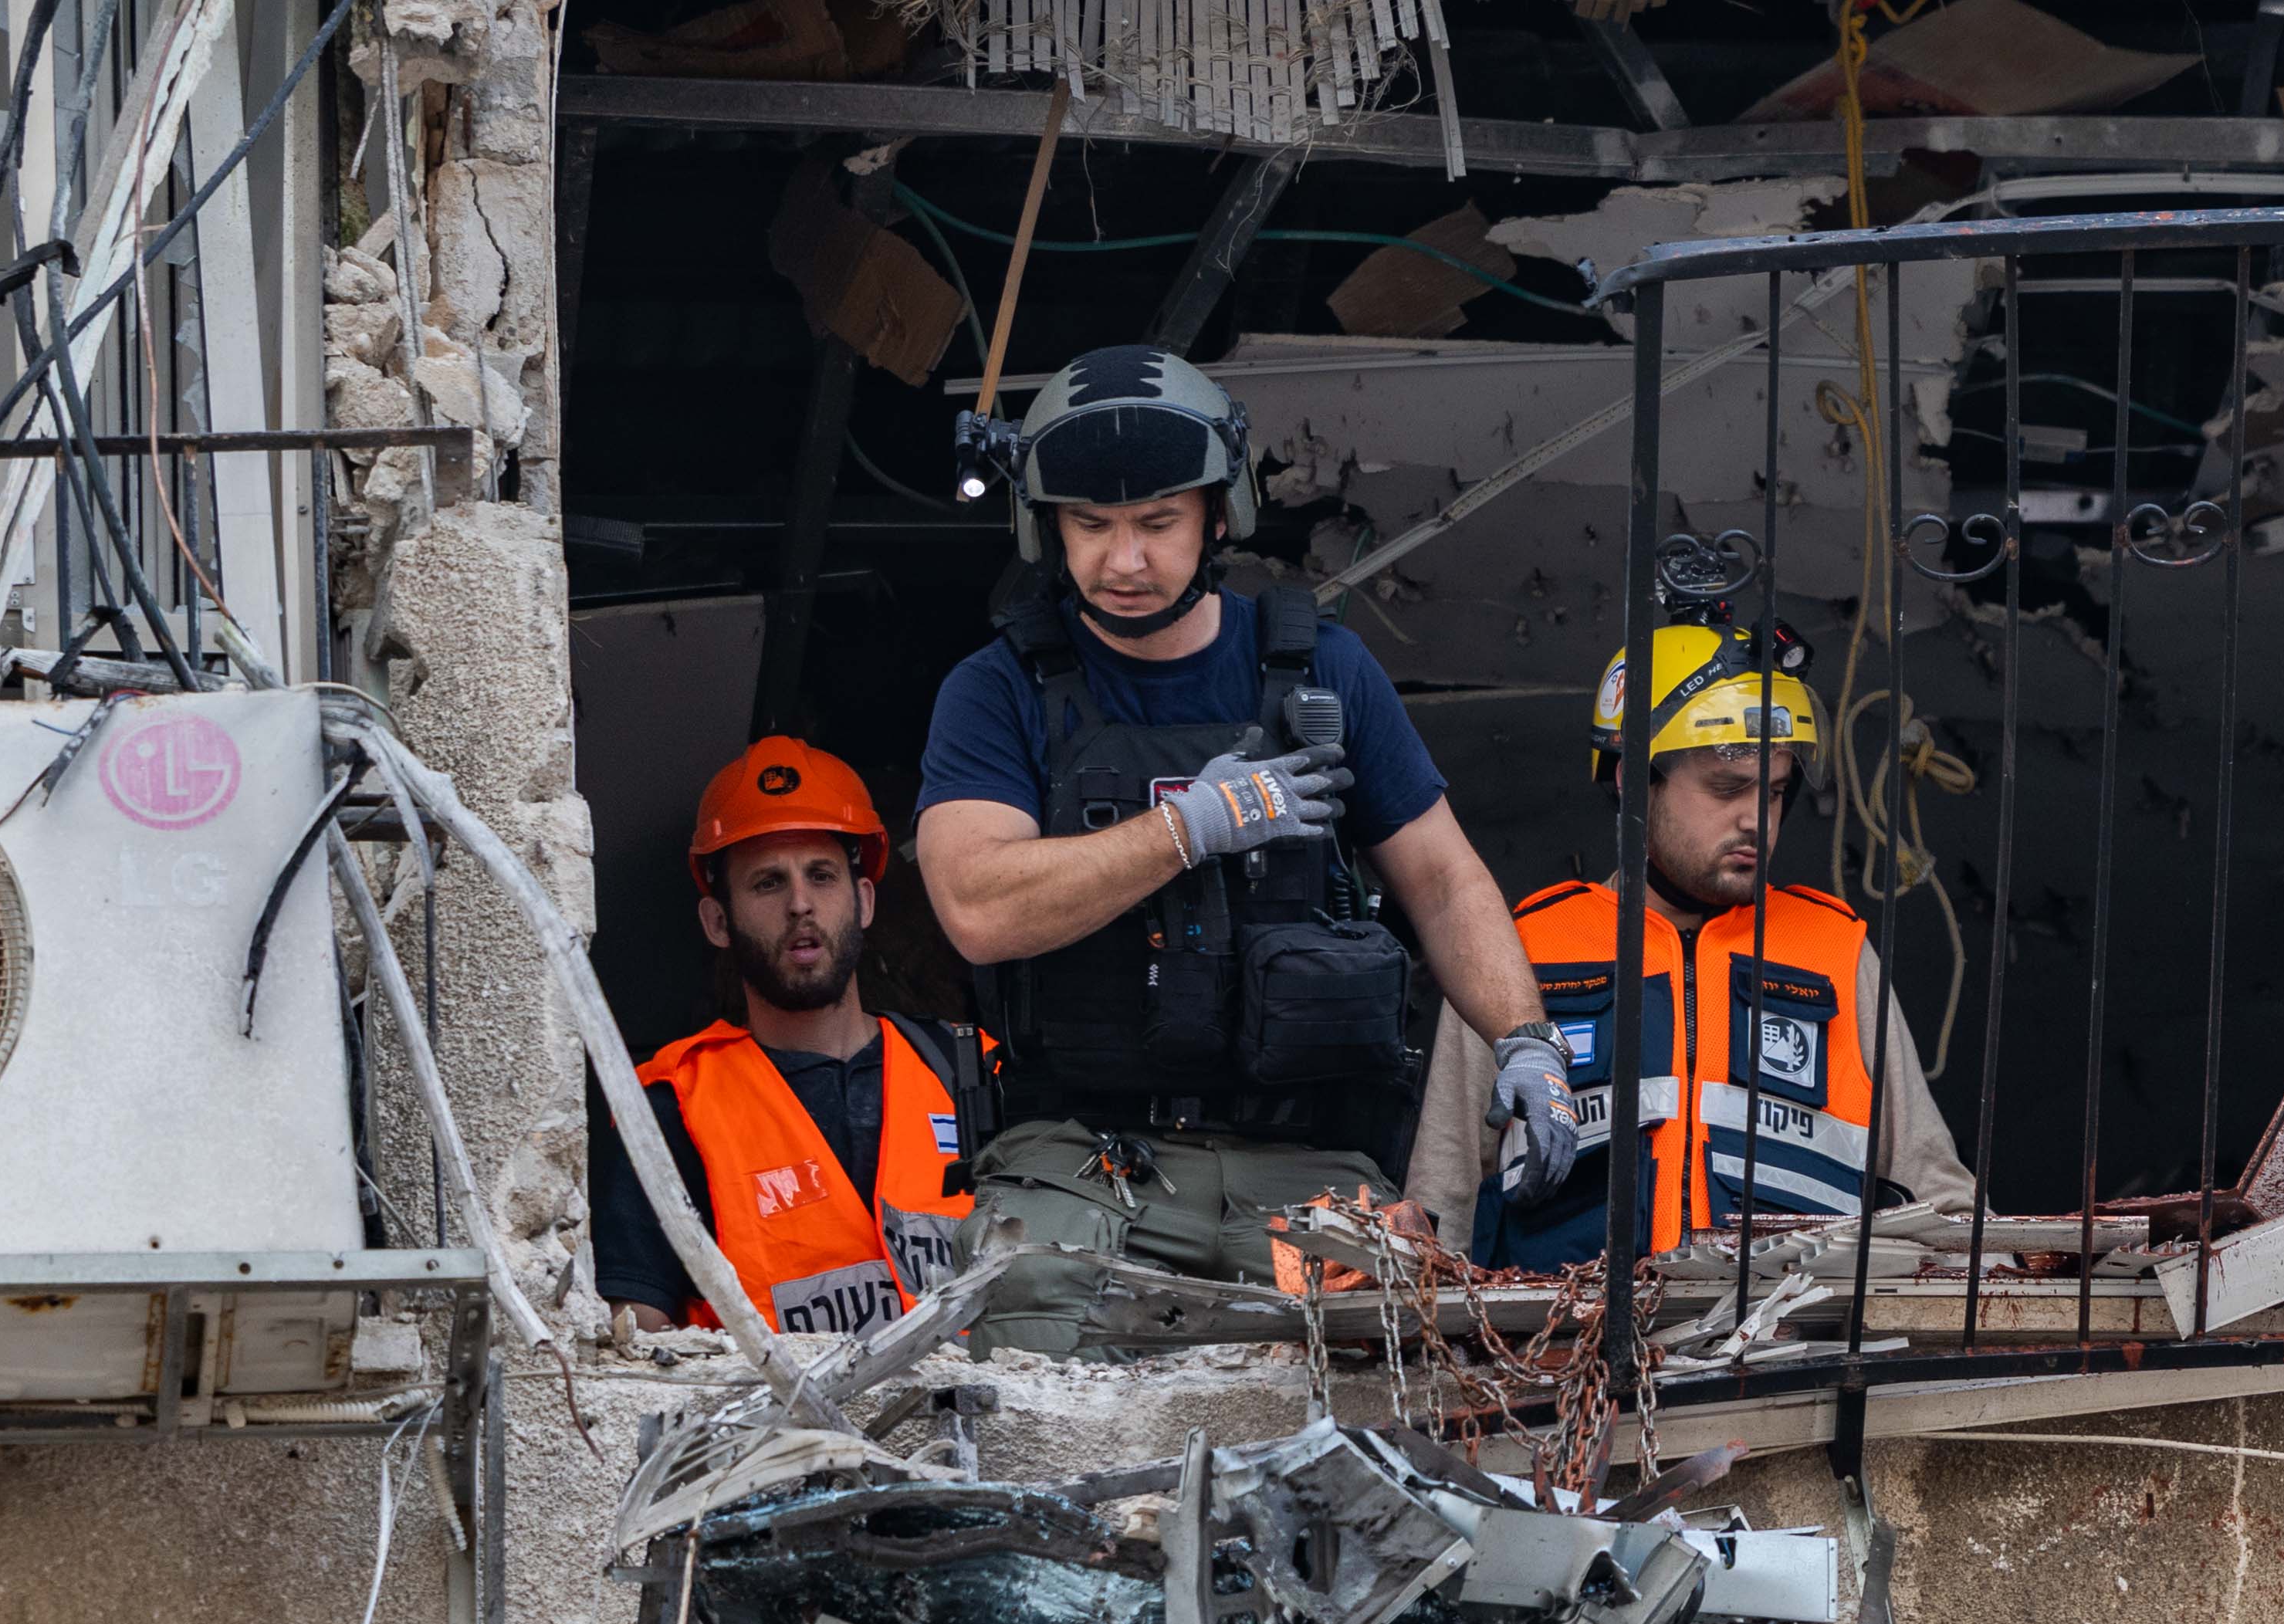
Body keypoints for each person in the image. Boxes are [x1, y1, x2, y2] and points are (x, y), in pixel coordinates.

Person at [911, 342, 1585, 1338]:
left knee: (1387, 1370)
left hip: (1308, 1167)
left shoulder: (1326, 676)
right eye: (1091, 525)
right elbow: (976, 903)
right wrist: (1189, 827)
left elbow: (1443, 881)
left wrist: (1529, 1044)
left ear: (1219, 515)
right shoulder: (998, 689)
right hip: (1083, 1161)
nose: (1124, 559)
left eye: (1156, 523)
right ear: (1045, 525)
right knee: (1029, 1349)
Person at [1410, 622, 1969, 1271]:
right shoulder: (1519, 950)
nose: (1757, 819)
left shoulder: (1836, 952)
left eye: (1778, 789)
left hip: (1786, 1352)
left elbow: (1940, 1201)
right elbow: (1438, 1207)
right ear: (1631, 781)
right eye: (1728, 787)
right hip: (1561, 1352)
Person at [593, 736, 1002, 1336]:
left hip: (966, 1421)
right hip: (777, 1429)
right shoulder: (671, 1107)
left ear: (862, 901)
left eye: (821, 875)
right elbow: (631, 1337)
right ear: (717, 921)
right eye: (767, 883)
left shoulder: (967, 1071)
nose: (801, 905)